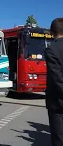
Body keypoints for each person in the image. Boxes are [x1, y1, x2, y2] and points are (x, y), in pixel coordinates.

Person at [45, 18, 63, 146]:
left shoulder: (52, 49)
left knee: (59, 139)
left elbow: (57, 79)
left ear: (52, 32)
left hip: (58, 103)